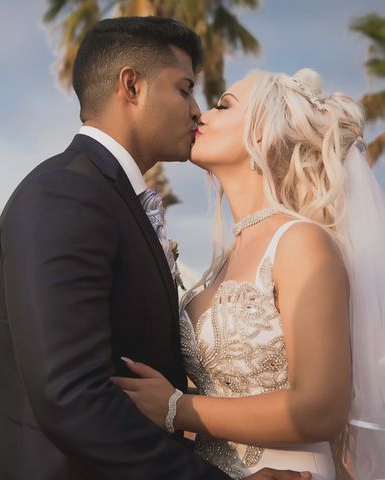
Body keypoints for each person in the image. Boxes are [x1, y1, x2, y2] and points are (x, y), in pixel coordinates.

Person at [0, 16, 306, 480]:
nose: (196, 111)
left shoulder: (104, 197)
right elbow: (72, 397)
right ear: (132, 86)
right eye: (185, 89)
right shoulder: (65, 195)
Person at [112, 69, 385, 478]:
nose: (200, 114)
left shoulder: (301, 242)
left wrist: (176, 407)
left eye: (223, 105)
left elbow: (321, 410)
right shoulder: (222, 261)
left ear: (263, 132)